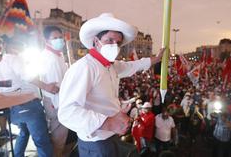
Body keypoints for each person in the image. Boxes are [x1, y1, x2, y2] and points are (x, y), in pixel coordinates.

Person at [58, 13, 165, 157]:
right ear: (96, 41)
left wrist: (155, 60)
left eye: (118, 42)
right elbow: (67, 112)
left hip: (110, 138)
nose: (114, 46)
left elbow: (132, 66)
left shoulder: (111, 66)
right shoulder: (84, 67)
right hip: (96, 144)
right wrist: (108, 122)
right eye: (109, 40)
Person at [0, 38, 54, 157]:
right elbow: (27, 76)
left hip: (15, 107)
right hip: (28, 104)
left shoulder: (2, 63)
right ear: (15, 48)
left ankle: (18, 155)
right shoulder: (14, 58)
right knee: (41, 139)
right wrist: (47, 87)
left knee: (24, 133)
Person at [39, 26, 68, 156]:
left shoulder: (58, 54)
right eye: (55, 38)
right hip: (55, 101)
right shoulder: (48, 57)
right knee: (58, 135)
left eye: (60, 37)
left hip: (60, 99)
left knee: (60, 134)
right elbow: (55, 86)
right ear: (46, 40)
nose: (59, 40)